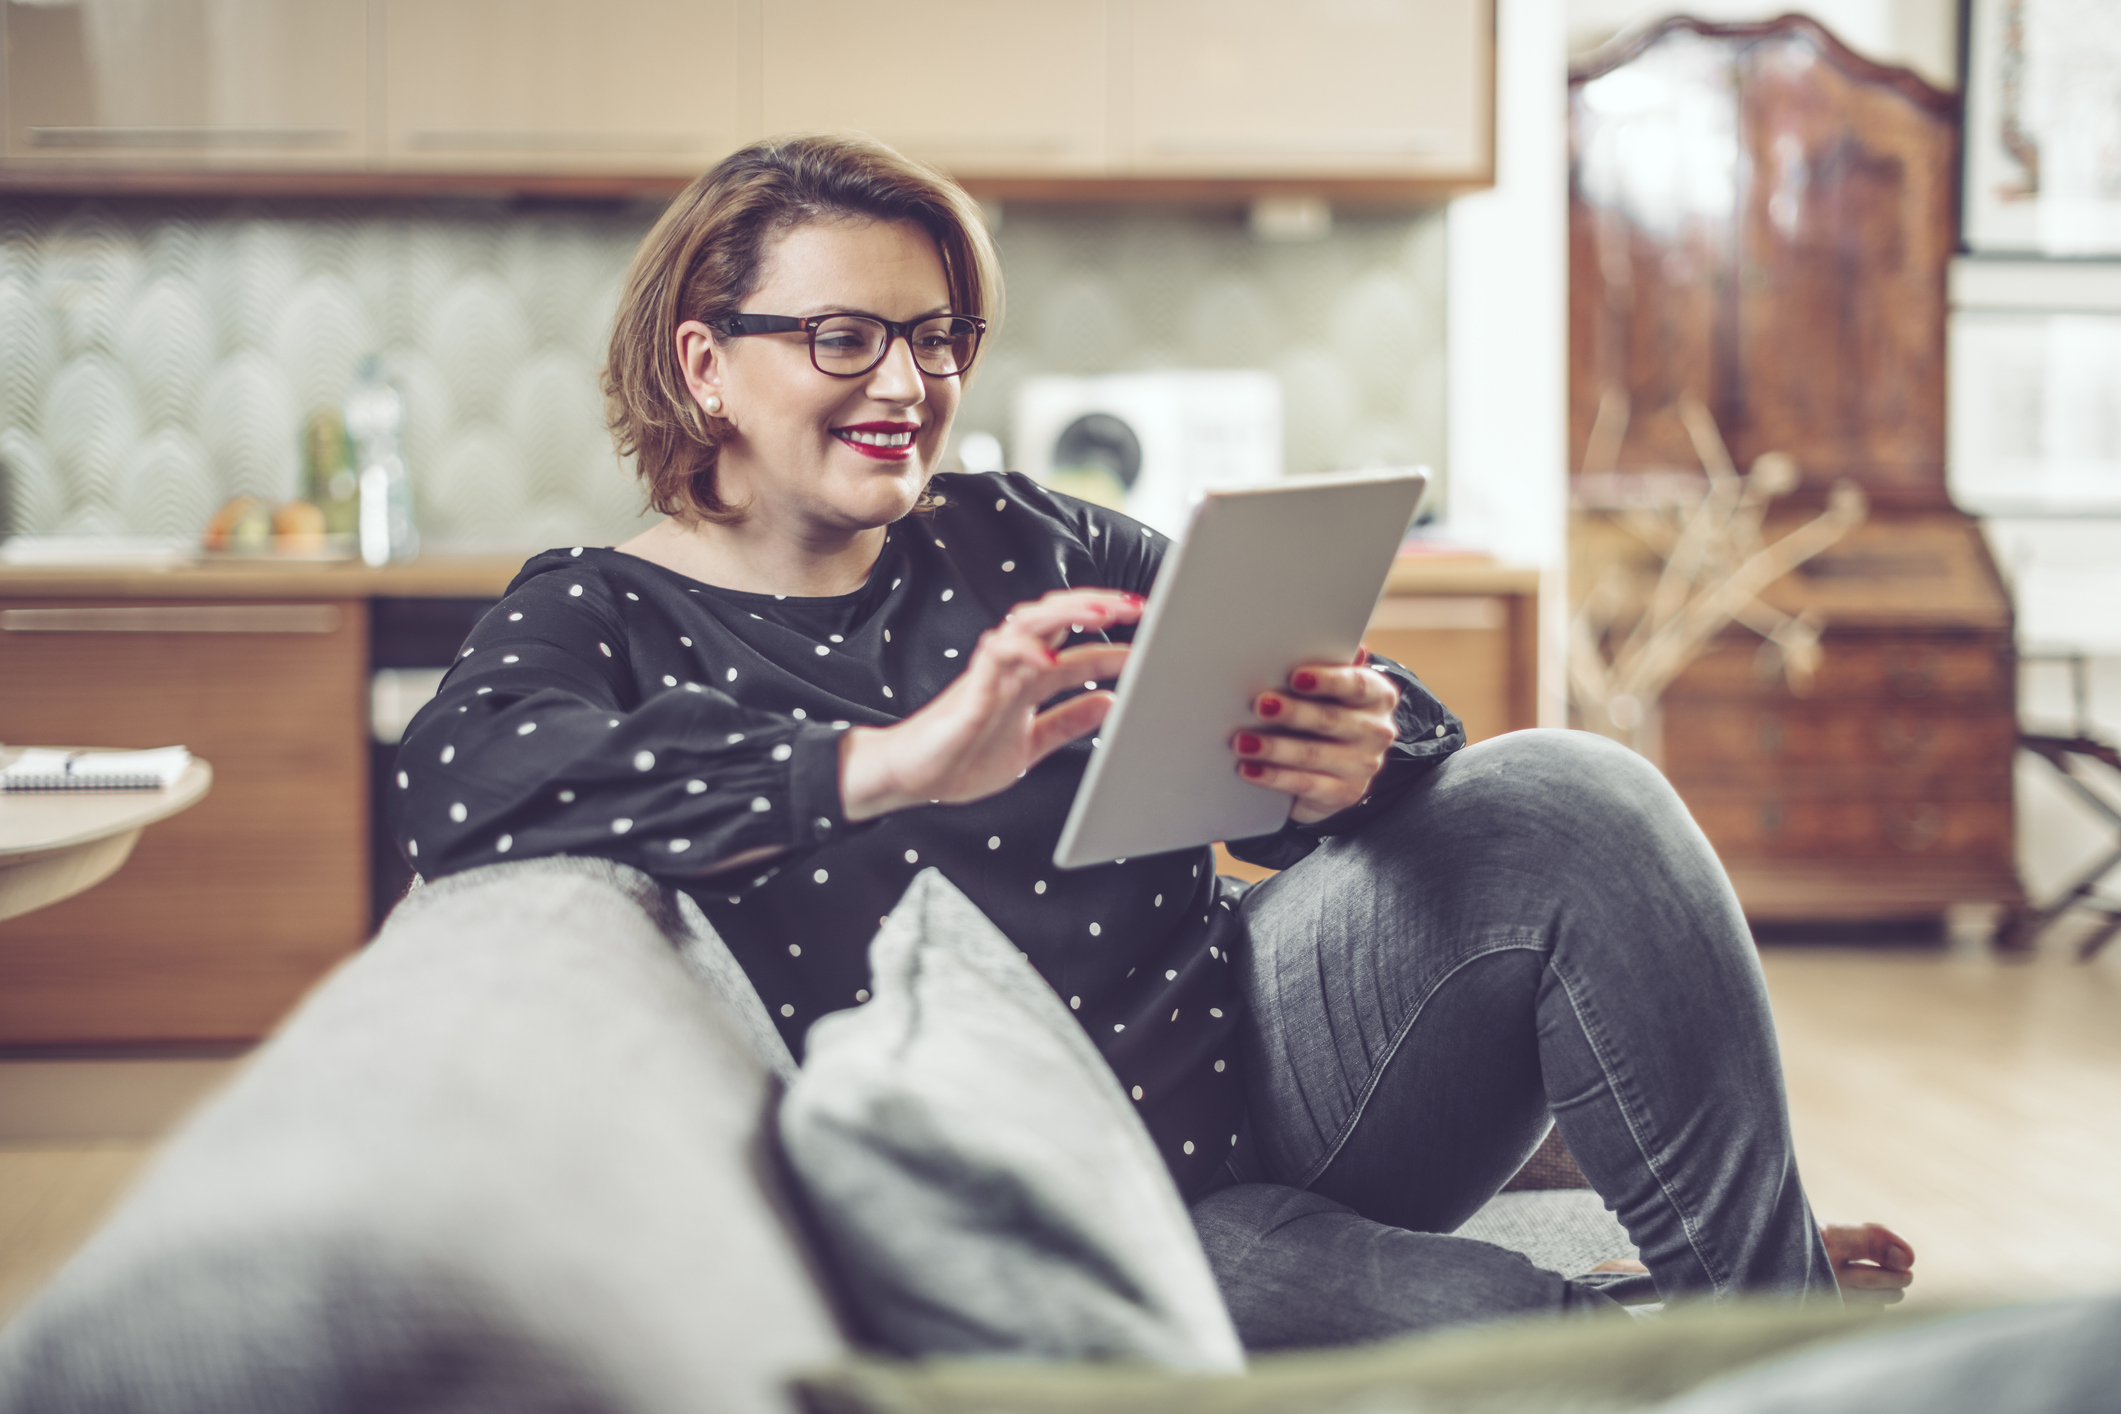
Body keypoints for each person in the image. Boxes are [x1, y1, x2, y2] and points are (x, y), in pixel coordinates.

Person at [390, 132, 1913, 1345]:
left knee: (1565, 791)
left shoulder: (1019, 531)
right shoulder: (602, 610)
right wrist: (888, 763)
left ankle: (1759, 1305)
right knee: (1492, 1328)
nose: (907, 386)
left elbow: (1364, 706)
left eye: (936, 338)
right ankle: (1689, 1321)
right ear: (703, 360)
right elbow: (462, 788)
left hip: (1262, 1062)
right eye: (843, 338)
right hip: (1051, 1194)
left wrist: (1359, 749)